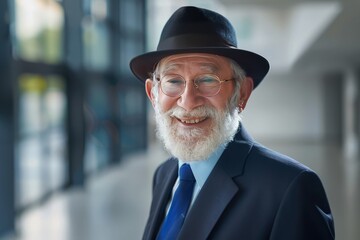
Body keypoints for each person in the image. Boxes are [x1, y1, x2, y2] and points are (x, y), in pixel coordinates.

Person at [130, 6, 335, 240]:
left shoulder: (290, 189)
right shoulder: (164, 175)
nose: (188, 102)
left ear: (242, 93)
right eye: (173, 80)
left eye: (208, 79)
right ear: (153, 94)